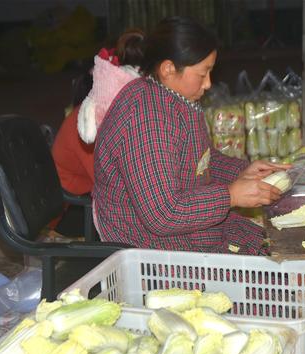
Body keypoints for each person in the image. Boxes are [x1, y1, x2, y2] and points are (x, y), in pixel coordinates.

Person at [93, 16, 289, 255]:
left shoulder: (175, 99)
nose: (208, 84)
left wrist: (241, 172)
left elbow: (201, 160)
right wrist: (230, 196)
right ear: (168, 69)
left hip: (183, 226)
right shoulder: (145, 117)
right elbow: (163, 215)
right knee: (264, 269)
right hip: (149, 245)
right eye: (203, 73)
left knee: (272, 244)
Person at [51, 29, 144, 196]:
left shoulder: (115, 107)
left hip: (88, 178)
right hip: (72, 191)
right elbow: (107, 182)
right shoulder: (91, 122)